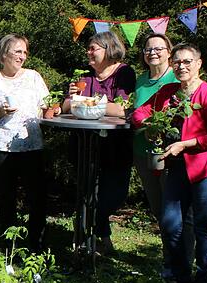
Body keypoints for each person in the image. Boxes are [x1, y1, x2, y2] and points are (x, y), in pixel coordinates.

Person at [132, 43, 207, 283]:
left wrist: (186, 144)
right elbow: (141, 113)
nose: (182, 66)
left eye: (188, 61)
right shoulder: (169, 92)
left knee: (203, 227)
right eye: (177, 62)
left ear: (199, 64)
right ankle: (181, 278)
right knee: (170, 222)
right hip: (179, 166)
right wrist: (151, 125)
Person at [0, 34, 50, 249]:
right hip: (2, 147)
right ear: (4, 54)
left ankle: (37, 245)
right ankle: (10, 246)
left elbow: (47, 107)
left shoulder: (34, 77)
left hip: (32, 145)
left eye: (25, 52)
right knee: (7, 198)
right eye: (18, 51)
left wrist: (58, 109)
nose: (22, 56)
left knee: (37, 198)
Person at [62, 31, 136, 253]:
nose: (89, 52)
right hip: (86, 143)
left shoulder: (124, 73)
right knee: (86, 194)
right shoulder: (83, 75)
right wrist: (73, 97)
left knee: (114, 194)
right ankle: (87, 242)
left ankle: (98, 232)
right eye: (89, 48)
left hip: (116, 145)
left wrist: (84, 102)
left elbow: (123, 109)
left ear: (109, 49)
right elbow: (66, 106)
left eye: (93, 48)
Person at [132, 34, 193, 283]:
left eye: (158, 48)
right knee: (159, 210)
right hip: (143, 152)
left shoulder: (178, 77)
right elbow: (135, 112)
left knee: (176, 213)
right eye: (148, 49)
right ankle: (171, 261)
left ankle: (181, 265)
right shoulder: (141, 81)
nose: (152, 52)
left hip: (172, 155)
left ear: (169, 52)